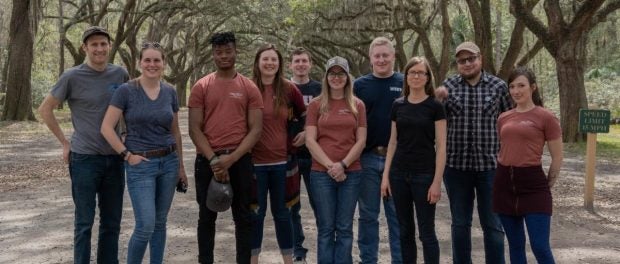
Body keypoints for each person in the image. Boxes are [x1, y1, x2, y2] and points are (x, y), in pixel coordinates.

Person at [38, 26, 129, 264]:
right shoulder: (72, 76)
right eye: (94, 44)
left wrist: (126, 135)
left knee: (112, 223)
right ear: (84, 48)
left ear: (109, 46)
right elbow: (45, 109)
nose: (99, 48)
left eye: (103, 44)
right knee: (84, 223)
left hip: (115, 158)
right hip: (84, 159)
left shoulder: (120, 74)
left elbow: (128, 108)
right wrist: (64, 142)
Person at [100, 42, 187, 264]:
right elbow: (106, 127)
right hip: (141, 165)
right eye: (147, 60)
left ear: (164, 63)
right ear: (140, 63)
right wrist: (127, 155)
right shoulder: (126, 91)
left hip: (168, 162)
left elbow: (175, 132)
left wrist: (181, 167)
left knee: (160, 223)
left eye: (156, 60)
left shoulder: (170, 92)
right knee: (145, 225)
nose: (152, 64)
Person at [188, 32, 263, 264]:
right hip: (207, 161)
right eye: (219, 52)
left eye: (228, 51)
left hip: (239, 160)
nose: (223, 56)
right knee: (206, 217)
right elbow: (194, 129)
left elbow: (256, 130)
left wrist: (231, 160)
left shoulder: (249, 87)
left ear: (235, 52)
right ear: (213, 55)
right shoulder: (201, 86)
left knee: (243, 217)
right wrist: (213, 160)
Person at [441, 41, 512, 264]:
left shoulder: (499, 86)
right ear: (457, 64)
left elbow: (512, 122)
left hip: (490, 168)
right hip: (456, 167)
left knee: (493, 224)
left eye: (471, 59)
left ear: (480, 59)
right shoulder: (448, 86)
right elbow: (436, 121)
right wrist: (436, 99)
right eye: (462, 60)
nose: (467, 63)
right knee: (460, 224)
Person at [493, 67, 563, 264]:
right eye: (512, 86)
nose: (516, 91)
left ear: (533, 87)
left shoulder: (546, 117)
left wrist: (548, 183)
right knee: (515, 246)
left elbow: (557, 157)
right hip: (504, 185)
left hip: (533, 186)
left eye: (521, 85)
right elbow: (506, 148)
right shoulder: (503, 117)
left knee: (540, 246)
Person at [381, 56, 446, 263]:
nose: (416, 76)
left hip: (424, 175)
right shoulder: (397, 105)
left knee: (427, 233)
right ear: (406, 76)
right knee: (404, 231)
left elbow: (442, 146)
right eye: (412, 72)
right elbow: (392, 142)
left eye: (421, 72)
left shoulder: (435, 106)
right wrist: (385, 177)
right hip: (398, 175)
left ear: (428, 77)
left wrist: (437, 182)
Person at [305, 56, 367, 264]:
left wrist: (343, 165)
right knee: (326, 228)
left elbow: (361, 141)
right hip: (321, 174)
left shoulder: (357, 105)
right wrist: (331, 166)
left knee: (344, 228)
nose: (337, 77)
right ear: (326, 76)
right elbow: (310, 141)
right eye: (333, 73)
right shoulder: (315, 105)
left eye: (341, 74)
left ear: (348, 77)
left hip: (352, 173)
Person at [250, 43, 306, 264]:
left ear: (280, 63)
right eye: (266, 59)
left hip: (284, 163)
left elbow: (305, 116)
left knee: (284, 216)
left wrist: (303, 134)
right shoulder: (248, 87)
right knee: (255, 215)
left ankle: (288, 260)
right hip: (254, 164)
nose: (270, 63)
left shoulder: (289, 89)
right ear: (258, 62)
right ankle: (253, 259)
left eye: (274, 59)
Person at [353, 36, 402, 263]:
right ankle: (368, 260)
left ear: (393, 56)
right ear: (371, 59)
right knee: (368, 217)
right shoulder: (359, 86)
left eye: (385, 55)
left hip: (398, 161)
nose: (381, 59)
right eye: (377, 56)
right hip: (368, 159)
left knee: (397, 217)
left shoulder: (406, 82)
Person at [288, 47, 322, 264]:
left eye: (304, 61)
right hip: (289, 156)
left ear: (310, 64)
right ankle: (297, 248)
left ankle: (325, 246)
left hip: (316, 156)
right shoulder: (284, 88)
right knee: (292, 206)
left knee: (321, 205)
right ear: (291, 65)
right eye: (297, 61)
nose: (300, 64)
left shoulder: (320, 88)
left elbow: (327, 119)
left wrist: (307, 134)